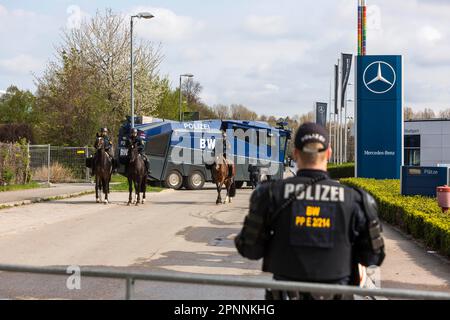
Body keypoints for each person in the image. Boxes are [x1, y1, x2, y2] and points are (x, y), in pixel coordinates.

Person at [235, 123, 385, 300]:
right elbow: (373, 258)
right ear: (329, 153)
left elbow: (250, 250)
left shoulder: (270, 194)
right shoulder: (356, 200)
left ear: (295, 153)